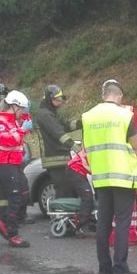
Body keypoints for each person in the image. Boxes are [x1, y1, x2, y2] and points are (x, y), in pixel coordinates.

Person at [82, 79, 137, 274]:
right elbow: (136, 145)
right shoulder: (124, 115)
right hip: (122, 176)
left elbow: (85, 145)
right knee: (122, 223)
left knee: (103, 223)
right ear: (119, 96)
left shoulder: (88, 117)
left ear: (103, 95)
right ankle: (120, 269)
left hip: (101, 176)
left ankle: (104, 269)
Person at [34, 84, 94, 223]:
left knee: (68, 188)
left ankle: (69, 219)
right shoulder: (44, 115)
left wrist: (83, 123)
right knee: (63, 189)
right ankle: (60, 219)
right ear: (49, 99)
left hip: (61, 157)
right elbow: (58, 134)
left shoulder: (51, 113)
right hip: (54, 158)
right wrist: (76, 148)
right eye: (57, 99)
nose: (60, 102)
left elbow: (66, 125)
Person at [0, 89, 32, 247]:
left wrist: (26, 118)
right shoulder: (1, 121)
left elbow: (23, 132)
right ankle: (12, 233)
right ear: (14, 106)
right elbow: (6, 140)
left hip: (15, 164)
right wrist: (22, 130)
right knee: (15, 198)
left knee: (23, 193)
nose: (21, 112)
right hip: (5, 164)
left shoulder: (13, 120)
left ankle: (5, 223)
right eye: (21, 109)